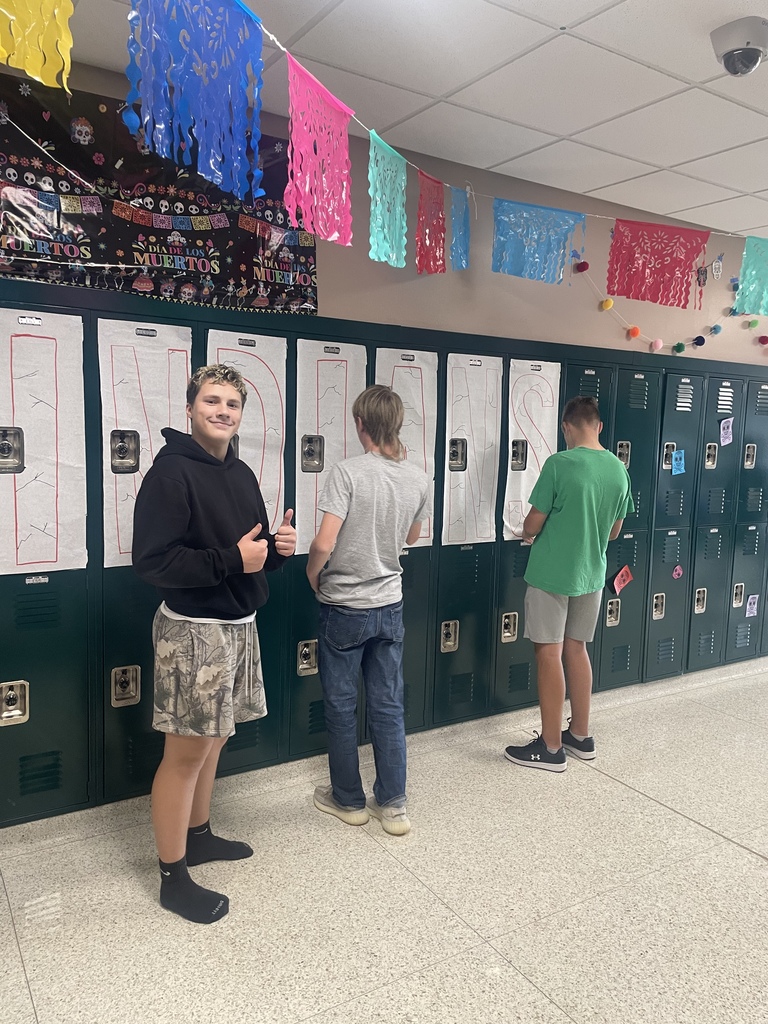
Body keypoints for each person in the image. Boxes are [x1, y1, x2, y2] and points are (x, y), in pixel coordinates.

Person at [132, 364, 296, 923]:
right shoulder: (170, 475)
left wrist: (276, 549)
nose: (222, 410)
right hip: (194, 631)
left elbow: (246, 546)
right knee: (184, 754)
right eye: (212, 400)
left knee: (216, 738)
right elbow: (153, 561)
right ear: (190, 408)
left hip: (237, 623)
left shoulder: (242, 472)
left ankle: (198, 835)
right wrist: (235, 560)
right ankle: (172, 877)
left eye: (232, 403)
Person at [307, 385, 431, 836]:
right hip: (389, 605)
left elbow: (324, 541)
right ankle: (393, 805)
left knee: (341, 706)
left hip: (344, 606)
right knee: (388, 702)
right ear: (397, 425)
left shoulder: (347, 472)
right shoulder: (418, 478)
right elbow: (412, 538)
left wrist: (313, 575)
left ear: (361, 424)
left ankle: (349, 801)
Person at [504, 395, 633, 772]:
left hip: (551, 575)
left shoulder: (559, 464)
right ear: (599, 427)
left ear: (565, 427)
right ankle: (580, 734)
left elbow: (531, 525)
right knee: (576, 650)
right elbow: (613, 532)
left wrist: (529, 532)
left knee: (548, 653)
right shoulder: (618, 470)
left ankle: (551, 747)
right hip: (591, 574)